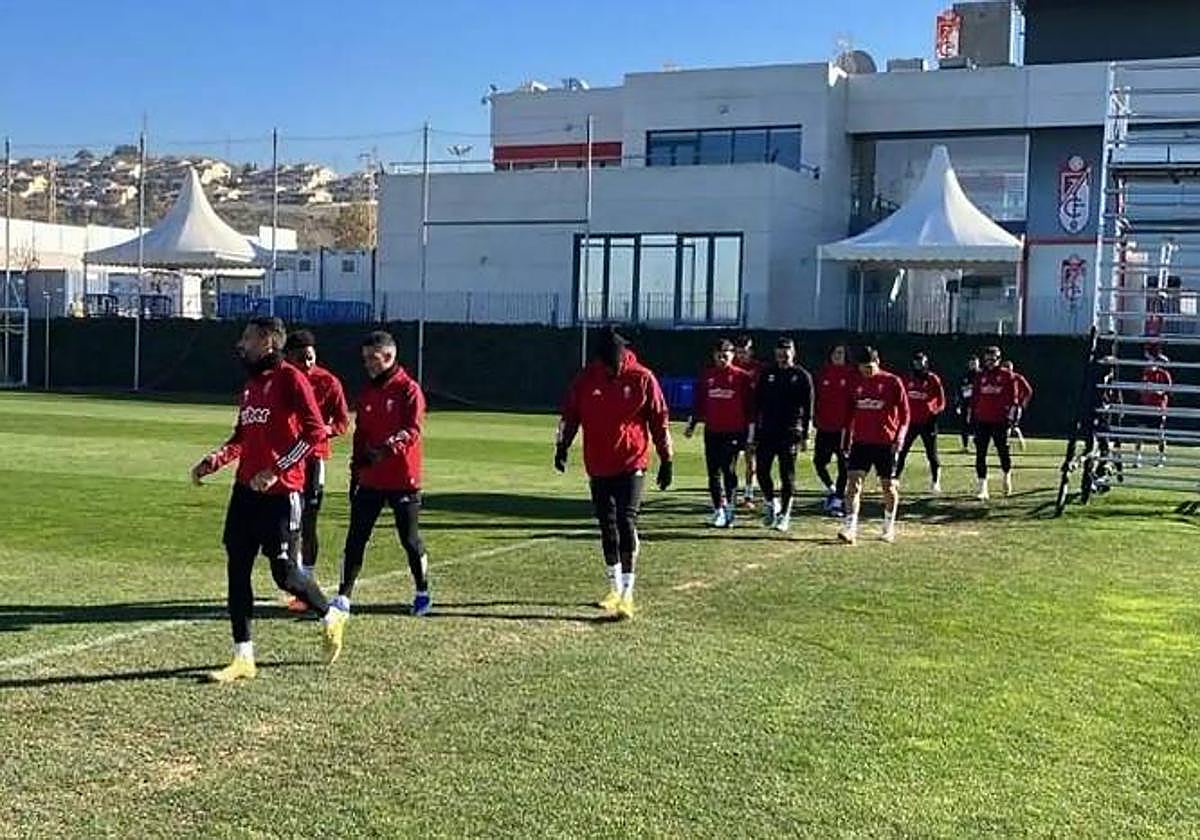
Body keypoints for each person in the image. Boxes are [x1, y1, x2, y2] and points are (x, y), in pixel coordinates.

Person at [190, 317, 346, 682]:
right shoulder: (250, 386)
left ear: (268, 342)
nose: (240, 345)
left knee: (285, 575)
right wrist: (214, 460)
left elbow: (313, 434)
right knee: (237, 566)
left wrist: (277, 470)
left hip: (282, 493)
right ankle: (243, 656)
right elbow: (241, 436)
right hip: (245, 492)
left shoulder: (292, 379)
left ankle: (330, 614)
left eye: (247, 338)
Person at [556, 327, 673, 619]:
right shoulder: (586, 379)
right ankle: (613, 587)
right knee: (607, 525)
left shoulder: (642, 378)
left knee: (625, 521)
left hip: (631, 462)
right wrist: (562, 446)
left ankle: (629, 593)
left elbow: (660, 418)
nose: (614, 366)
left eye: (617, 360)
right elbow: (571, 414)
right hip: (598, 463)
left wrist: (666, 458)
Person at [331, 330, 431, 623]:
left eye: (373, 359)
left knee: (409, 540)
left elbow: (412, 430)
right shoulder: (368, 392)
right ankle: (344, 596)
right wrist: (355, 472)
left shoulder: (409, 390)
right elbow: (360, 435)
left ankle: (422, 591)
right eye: (365, 360)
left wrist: (386, 450)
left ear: (389, 356)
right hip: (371, 481)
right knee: (355, 539)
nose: (368, 365)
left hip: (403, 479)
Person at [282, 329, 350, 612]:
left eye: (311, 357)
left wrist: (327, 429)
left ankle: (306, 580)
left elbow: (344, 422)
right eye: (301, 358)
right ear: (289, 358)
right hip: (285, 461)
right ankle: (294, 578)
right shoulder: (280, 379)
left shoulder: (328, 382)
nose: (308, 363)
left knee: (308, 521)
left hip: (312, 459)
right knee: (288, 523)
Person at [838, 345, 909, 546]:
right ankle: (850, 527)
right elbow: (848, 413)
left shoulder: (892, 382)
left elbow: (905, 414)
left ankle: (889, 527)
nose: (866, 371)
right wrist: (846, 438)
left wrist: (900, 438)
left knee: (888, 487)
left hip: (885, 443)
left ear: (877, 363)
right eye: (862, 367)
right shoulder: (855, 383)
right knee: (853, 484)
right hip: (861, 442)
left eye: (869, 366)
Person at [685, 339, 755, 528]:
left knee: (728, 470)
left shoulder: (742, 377)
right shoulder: (707, 376)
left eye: (726, 353)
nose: (722, 357)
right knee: (713, 473)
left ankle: (730, 509)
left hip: (733, 432)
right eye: (719, 354)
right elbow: (699, 403)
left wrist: (750, 434)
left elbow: (750, 408)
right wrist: (692, 424)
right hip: (712, 431)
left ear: (733, 355)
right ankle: (718, 510)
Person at [753, 337, 813, 532]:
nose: (783, 357)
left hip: (791, 431)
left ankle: (785, 514)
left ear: (793, 353)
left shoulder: (802, 375)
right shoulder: (767, 373)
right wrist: (755, 431)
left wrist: (806, 433)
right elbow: (758, 403)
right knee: (761, 470)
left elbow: (809, 406)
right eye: (780, 353)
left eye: (786, 353)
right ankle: (771, 502)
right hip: (768, 430)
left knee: (786, 475)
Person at [971, 345, 1021, 501]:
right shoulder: (980, 376)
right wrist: (974, 414)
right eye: (987, 360)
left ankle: (1006, 476)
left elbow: (1014, 398)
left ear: (999, 359)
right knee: (980, 454)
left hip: (1000, 420)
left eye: (993, 359)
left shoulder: (1007, 376)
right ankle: (982, 487)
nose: (990, 363)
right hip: (982, 419)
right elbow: (975, 396)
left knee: (1002, 451)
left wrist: (1011, 419)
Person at [812, 344, 855, 515]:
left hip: (843, 428)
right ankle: (832, 490)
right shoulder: (823, 373)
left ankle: (838, 499)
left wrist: (850, 425)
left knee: (843, 465)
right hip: (824, 426)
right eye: (835, 352)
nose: (837, 356)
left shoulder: (851, 374)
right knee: (819, 462)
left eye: (841, 353)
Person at [896, 351, 946, 493]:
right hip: (910, 422)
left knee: (932, 453)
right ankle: (896, 478)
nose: (918, 365)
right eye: (916, 362)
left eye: (921, 362)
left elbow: (941, 400)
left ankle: (935, 481)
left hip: (928, 423)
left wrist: (934, 412)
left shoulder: (933, 379)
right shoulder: (907, 379)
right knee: (902, 451)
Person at [732, 335, 765, 508]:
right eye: (738, 352)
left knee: (750, 457)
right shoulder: (731, 367)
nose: (741, 356)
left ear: (751, 351)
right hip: (734, 419)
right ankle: (730, 493)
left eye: (744, 352)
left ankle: (748, 494)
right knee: (730, 459)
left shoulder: (759, 369)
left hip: (753, 420)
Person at [1136, 345, 1173, 467]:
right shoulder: (1146, 373)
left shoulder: (1164, 374)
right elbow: (1141, 389)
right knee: (1140, 432)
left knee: (1160, 434)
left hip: (1158, 408)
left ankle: (1161, 458)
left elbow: (1168, 391)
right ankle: (1137, 458)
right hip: (1145, 407)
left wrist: (1157, 392)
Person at [999, 360, 1033, 452]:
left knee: (1012, 425)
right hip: (1003, 406)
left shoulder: (1017, 378)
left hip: (1014, 406)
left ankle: (1020, 444)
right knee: (1003, 425)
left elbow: (1028, 390)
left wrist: (1023, 402)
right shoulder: (999, 378)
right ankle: (1003, 443)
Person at [954, 356, 980, 453]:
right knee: (964, 425)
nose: (973, 365)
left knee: (978, 425)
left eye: (975, 363)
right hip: (966, 404)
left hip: (978, 405)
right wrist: (958, 404)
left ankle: (979, 445)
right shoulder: (964, 376)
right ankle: (965, 446)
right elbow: (959, 390)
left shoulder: (981, 375)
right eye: (971, 363)